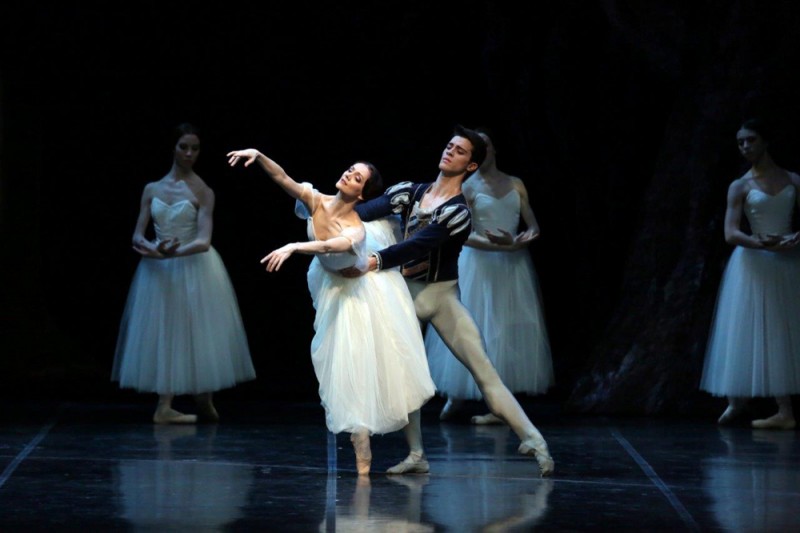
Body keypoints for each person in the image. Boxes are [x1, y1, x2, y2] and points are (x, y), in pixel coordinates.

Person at [347, 124, 555, 476]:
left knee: (484, 372)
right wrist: (325, 208)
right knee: (406, 375)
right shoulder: (410, 192)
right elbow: (363, 213)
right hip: (405, 296)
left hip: (442, 297)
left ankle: (535, 441)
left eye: (459, 151)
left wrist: (376, 260)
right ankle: (416, 454)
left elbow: (418, 244)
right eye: (449, 146)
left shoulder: (459, 211)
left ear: (471, 166)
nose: (450, 152)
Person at [226, 147, 435, 476]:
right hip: (332, 289)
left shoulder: (357, 228)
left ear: (362, 192)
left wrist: (294, 246)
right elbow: (283, 179)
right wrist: (260, 155)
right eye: (350, 169)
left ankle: (372, 457)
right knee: (341, 367)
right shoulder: (317, 200)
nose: (348, 175)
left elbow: (330, 245)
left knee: (357, 366)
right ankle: (362, 457)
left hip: (362, 297)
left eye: (357, 177)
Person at [112, 123, 256, 424]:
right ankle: (164, 405)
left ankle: (203, 395)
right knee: (167, 329)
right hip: (158, 269)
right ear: (173, 148)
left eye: (194, 148)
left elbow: (204, 241)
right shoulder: (152, 189)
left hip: (193, 265)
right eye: (183, 147)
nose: (189, 153)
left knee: (197, 329)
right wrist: (152, 248)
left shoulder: (203, 191)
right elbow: (138, 235)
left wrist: (169, 252)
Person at [425, 128, 554, 424]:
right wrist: (494, 244)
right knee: (471, 324)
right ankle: (456, 393)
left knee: (505, 328)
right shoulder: (467, 187)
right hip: (479, 263)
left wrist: (520, 240)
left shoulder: (516, 183)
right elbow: (460, 232)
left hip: (512, 264)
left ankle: (499, 404)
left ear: (493, 151)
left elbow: (533, 225)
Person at [700, 118, 800, 430]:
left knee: (781, 330)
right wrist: (758, 242)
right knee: (745, 329)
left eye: (751, 140)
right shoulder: (740, 185)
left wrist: (794, 239)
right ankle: (737, 400)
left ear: (765, 141)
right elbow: (730, 233)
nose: (745, 147)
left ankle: (785, 410)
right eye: (741, 142)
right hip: (753, 262)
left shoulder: (794, 180)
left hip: (785, 261)